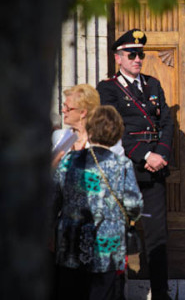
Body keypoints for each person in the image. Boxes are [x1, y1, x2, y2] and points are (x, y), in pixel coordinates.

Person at [97, 28, 174, 300]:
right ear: (118, 58)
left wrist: (161, 154)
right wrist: (145, 155)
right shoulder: (107, 88)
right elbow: (113, 127)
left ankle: (161, 293)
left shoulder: (153, 85)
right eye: (131, 54)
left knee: (157, 237)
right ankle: (115, 293)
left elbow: (166, 121)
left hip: (154, 173)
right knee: (117, 234)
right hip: (127, 172)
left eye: (140, 54)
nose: (137, 59)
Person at [52, 105, 143, 300]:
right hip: (106, 248)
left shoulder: (68, 160)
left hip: (70, 245)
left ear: (90, 130)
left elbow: (53, 200)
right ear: (117, 132)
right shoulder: (122, 165)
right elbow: (134, 205)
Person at [52, 84, 124, 166]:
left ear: (83, 112)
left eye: (68, 108)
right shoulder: (59, 136)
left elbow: (117, 170)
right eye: (64, 106)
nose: (63, 110)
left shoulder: (107, 138)